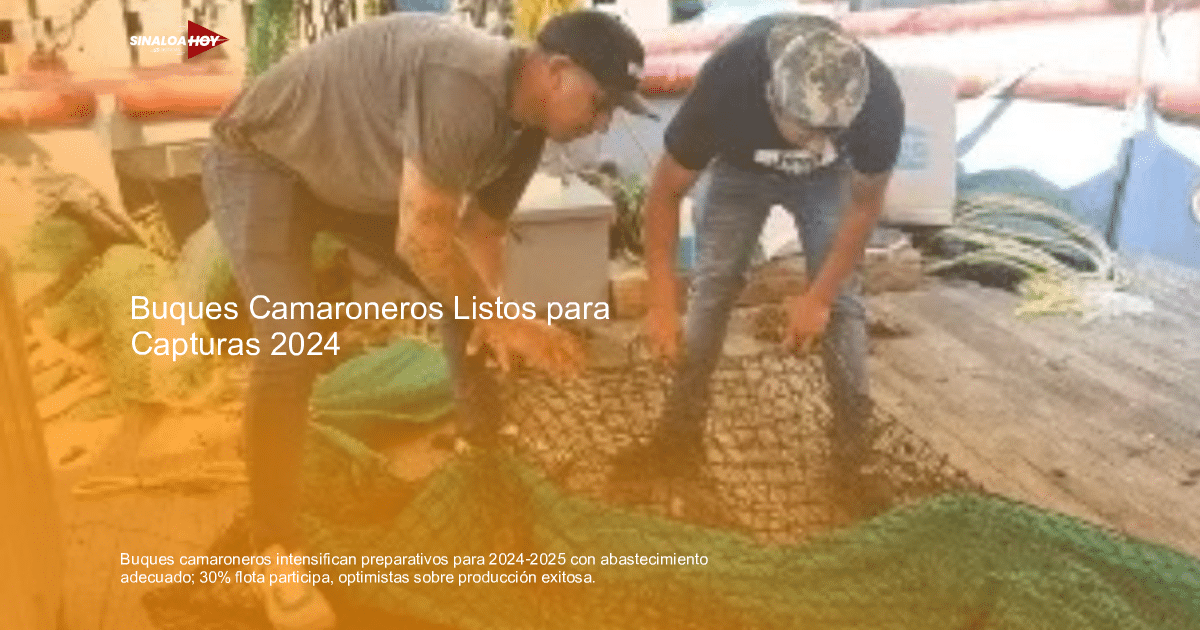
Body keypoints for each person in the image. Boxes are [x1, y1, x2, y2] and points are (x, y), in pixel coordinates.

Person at [201, 11, 651, 629]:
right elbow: (420, 237)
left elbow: (480, 235)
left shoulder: (526, 131)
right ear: (557, 71)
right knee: (292, 344)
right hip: (261, 159)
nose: (600, 122)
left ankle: (484, 453)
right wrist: (497, 317)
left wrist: (497, 319)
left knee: (461, 300)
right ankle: (274, 552)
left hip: (345, 181)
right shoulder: (463, 86)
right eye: (598, 103)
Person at [637, 14, 905, 493]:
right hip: (739, 171)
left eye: (831, 132)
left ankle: (854, 458)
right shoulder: (728, 82)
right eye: (807, 130)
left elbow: (864, 207)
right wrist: (659, 301)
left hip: (827, 181)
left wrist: (818, 297)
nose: (819, 141)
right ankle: (677, 435)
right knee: (713, 289)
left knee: (842, 303)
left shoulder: (877, 99)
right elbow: (664, 193)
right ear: (770, 96)